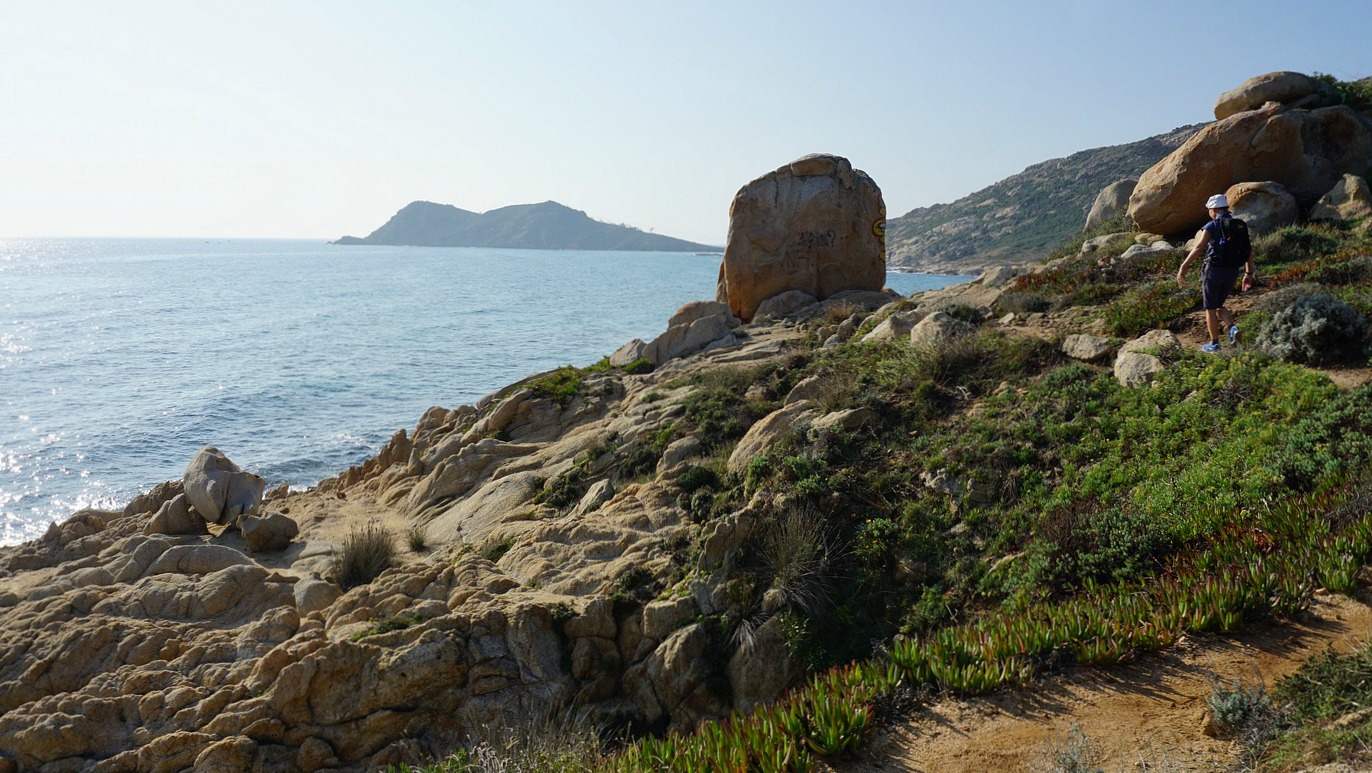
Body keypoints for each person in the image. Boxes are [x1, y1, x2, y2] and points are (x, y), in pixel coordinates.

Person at [1176, 194, 1255, 352]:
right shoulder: (1239, 225)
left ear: (1213, 210)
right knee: (1218, 305)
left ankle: (1214, 344)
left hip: (1214, 271)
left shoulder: (1212, 225)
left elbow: (1199, 247)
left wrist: (1184, 266)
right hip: (1232, 271)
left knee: (1210, 308)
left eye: (1209, 210)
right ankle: (1232, 328)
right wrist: (1249, 273)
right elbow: (1248, 251)